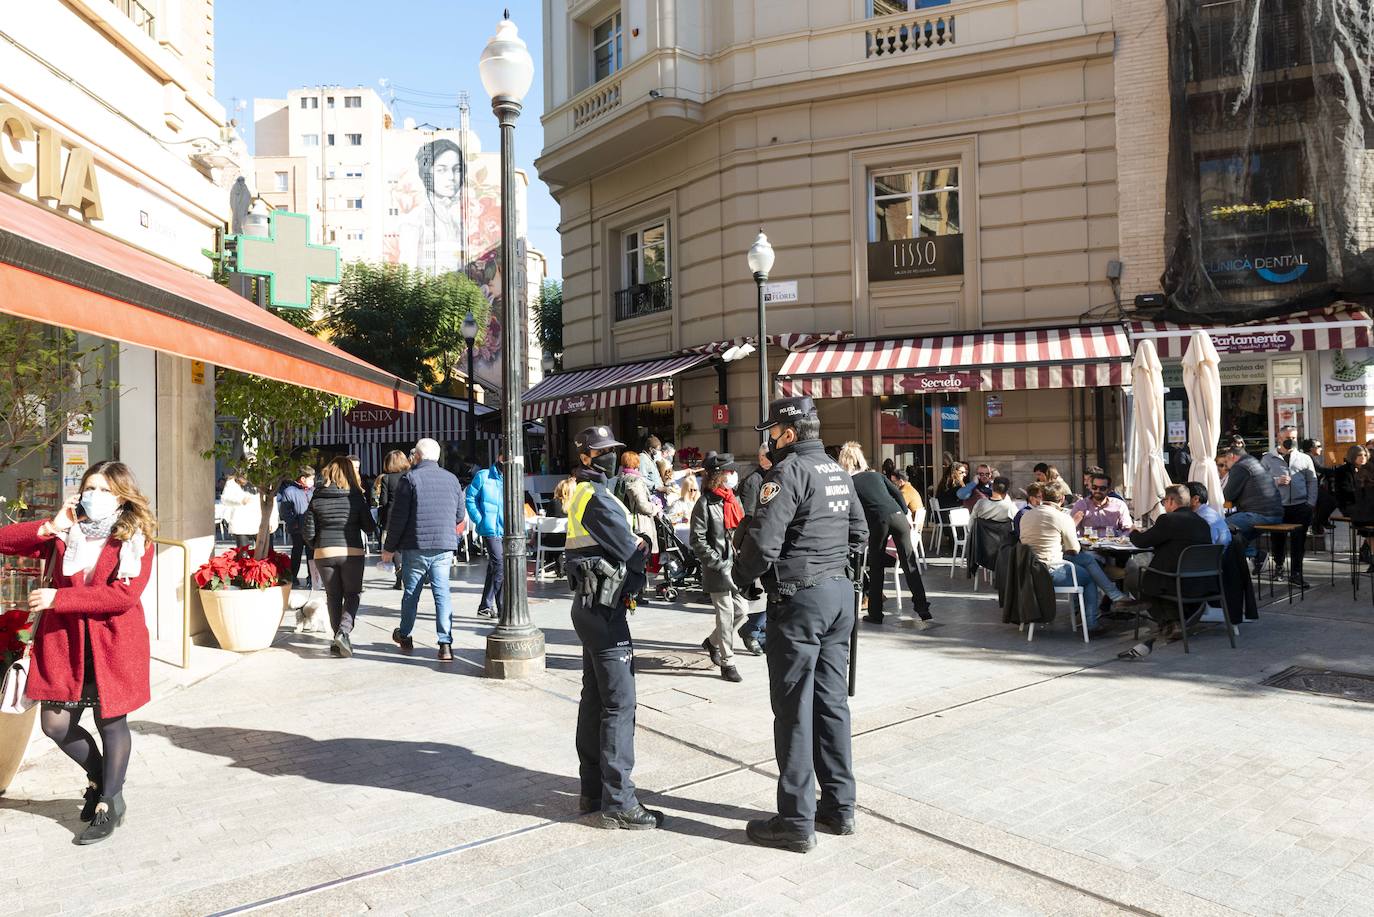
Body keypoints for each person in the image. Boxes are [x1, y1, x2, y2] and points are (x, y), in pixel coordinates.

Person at [732, 397, 868, 852]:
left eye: (774, 432)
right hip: (838, 595)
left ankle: (794, 821)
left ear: (789, 434)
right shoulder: (836, 471)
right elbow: (861, 535)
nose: (771, 439)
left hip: (800, 599)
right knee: (831, 705)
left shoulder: (788, 473)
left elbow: (764, 542)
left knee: (793, 712)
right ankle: (839, 808)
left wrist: (741, 576)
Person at [0, 461, 156, 844]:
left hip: (113, 642)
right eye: (90, 487)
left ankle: (109, 801)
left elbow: (123, 596)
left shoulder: (136, 537)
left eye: (105, 490)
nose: (96, 496)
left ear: (122, 495)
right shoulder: (64, 532)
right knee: (55, 724)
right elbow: (4, 541)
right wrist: (51, 526)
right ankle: (105, 780)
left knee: (111, 722)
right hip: (65, 644)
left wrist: (59, 597)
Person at [564, 424, 664, 830]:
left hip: (589, 607)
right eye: (600, 451)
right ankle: (619, 802)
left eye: (612, 449)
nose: (608, 455)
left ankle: (593, 790)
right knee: (620, 705)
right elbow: (630, 550)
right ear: (586, 456)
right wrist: (640, 544)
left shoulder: (587, 493)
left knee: (594, 699)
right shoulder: (597, 498)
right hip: (604, 611)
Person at [382, 439, 467, 663]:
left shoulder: (409, 479)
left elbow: (398, 519)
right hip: (443, 545)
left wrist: (389, 548)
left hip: (416, 544)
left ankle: (405, 634)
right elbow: (460, 514)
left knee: (411, 594)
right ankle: (445, 643)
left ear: (417, 456)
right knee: (442, 594)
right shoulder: (452, 479)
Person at [1019, 483, 1134, 635]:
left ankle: (1114, 596)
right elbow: (1074, 549)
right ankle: (1092, 624)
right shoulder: (1062, 517)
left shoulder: (1026, 515)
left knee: (1086, 560)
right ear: (1061, 499)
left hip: (1028, 568)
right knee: (1089, 577)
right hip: (1050, 571)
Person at [840, 442, 932, 624]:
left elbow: (852, 511)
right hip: (898, 517)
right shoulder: (876, 475)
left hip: (878, 521)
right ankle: (922, 608)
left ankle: (875, 613)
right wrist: (903, 513)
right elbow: (897, 495)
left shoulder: (850, 482)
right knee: (909, 562)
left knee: (876, 567)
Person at [302, 456, 376, 658]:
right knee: (352, 594)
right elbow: (369, 527)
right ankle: (343, 631)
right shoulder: (356, 497)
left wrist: (317, 546)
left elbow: (307, 531)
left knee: (333, 596)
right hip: (351, 551)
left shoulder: (316, 497)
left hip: (323, 552)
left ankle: (337, 641)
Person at [691, 453, 749, 682]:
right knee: (725, 615)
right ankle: (728, 661)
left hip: (736, 567)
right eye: (729, 472)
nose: (733, 475)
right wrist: (719, 563)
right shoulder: (704, 504)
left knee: (742, 611)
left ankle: (712, 642)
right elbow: (697, 540)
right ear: (718, 476)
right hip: (717, 569)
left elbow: (741, 530)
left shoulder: (733, 500)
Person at [1128, 484, 1213, 631]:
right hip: (1201, 582)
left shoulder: (1168, 519)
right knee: (1157, 581)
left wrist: (1133, 531)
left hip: (1174, 581)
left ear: (1171, 501)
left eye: (1163, 502)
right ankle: (1175, 621)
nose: (1164, 506)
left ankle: (1171, 622)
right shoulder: (1202, 522)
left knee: (1135, 579)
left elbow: (1142, 542)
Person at [1261, 426, 1318, 588]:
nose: (1291, 440)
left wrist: (1311, 503)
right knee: (1277, 539)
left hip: (1301, 506)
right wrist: (1276, 481)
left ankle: (1296, 574)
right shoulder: (1267, 459)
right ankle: (1279, 566)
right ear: (1279, 438)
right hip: (1277, 506)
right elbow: (1259, 482)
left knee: (1298, 541)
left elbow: (1312, 481)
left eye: (1294, 437)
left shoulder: (1304, 458)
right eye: (1287, 437)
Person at [733, 441, 772, 656]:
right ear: (761, 458)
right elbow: (749, 518)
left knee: (773, 594)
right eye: (770, 455)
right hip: (758, 543)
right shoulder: (753, 481)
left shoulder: (775, 476)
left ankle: (759, 631)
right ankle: (752, 628)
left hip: (771, 540)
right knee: (770, 593)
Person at [466, 452, 506, 620]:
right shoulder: (483, 476)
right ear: (499, 457)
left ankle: (485, 606)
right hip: (490, 528)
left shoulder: (513, 477)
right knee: (500, 566)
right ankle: (503, 608)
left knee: (494, 566)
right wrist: (480, 520)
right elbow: (470, 498)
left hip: (508, 529)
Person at [1222, 445, 1283, 547]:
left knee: (1220, 526)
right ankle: (1253, 555)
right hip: (1275, 514)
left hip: (1260, 515)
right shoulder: (1254, 462)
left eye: (1226, 462)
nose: (1226, 466)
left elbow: (1228, 495)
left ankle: (1253, 555)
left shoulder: (1240, 466)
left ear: (1232, 456)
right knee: (1239, 537)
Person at [375, 450, 412, 589]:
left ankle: (399, 576)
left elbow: (384, 501)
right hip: (408, 514)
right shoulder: (410, 475)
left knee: (395, 546)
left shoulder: (387, 478)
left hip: (391, 515)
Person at [616, 451, 660, 555]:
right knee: (643, 555)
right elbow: (643, 506)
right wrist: (655, 508)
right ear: (636, 463)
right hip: (640, 524)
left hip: (624, 522)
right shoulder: (635, 480)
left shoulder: (619, 479)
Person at [278, 468, 315, 590]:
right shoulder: (290, 491)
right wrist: (294, 523)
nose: (313, 482)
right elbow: (285, 511)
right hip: (297, 529)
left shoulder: (313, 491)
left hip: (311, 528)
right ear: (303, 479)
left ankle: (312, 578)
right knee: (296, 552)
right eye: (311, 479)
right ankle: (293, 577)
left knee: (312, 554)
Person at [221, 473, 277, 550]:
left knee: (265, 554)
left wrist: (272, 521)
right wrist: (239, 500)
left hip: (260, 522)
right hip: (241, 523)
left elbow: (272, 503)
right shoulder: (232, 482)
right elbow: (224, 499)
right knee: (243, 554)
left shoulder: (264, 481)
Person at [1187, 482, 1231, 546]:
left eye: (1183, 497)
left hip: (1214, 554)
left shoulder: (1202, 518)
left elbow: (1206, 547)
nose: (1180, 501)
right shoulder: (1207, 512)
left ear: (1195, 499)